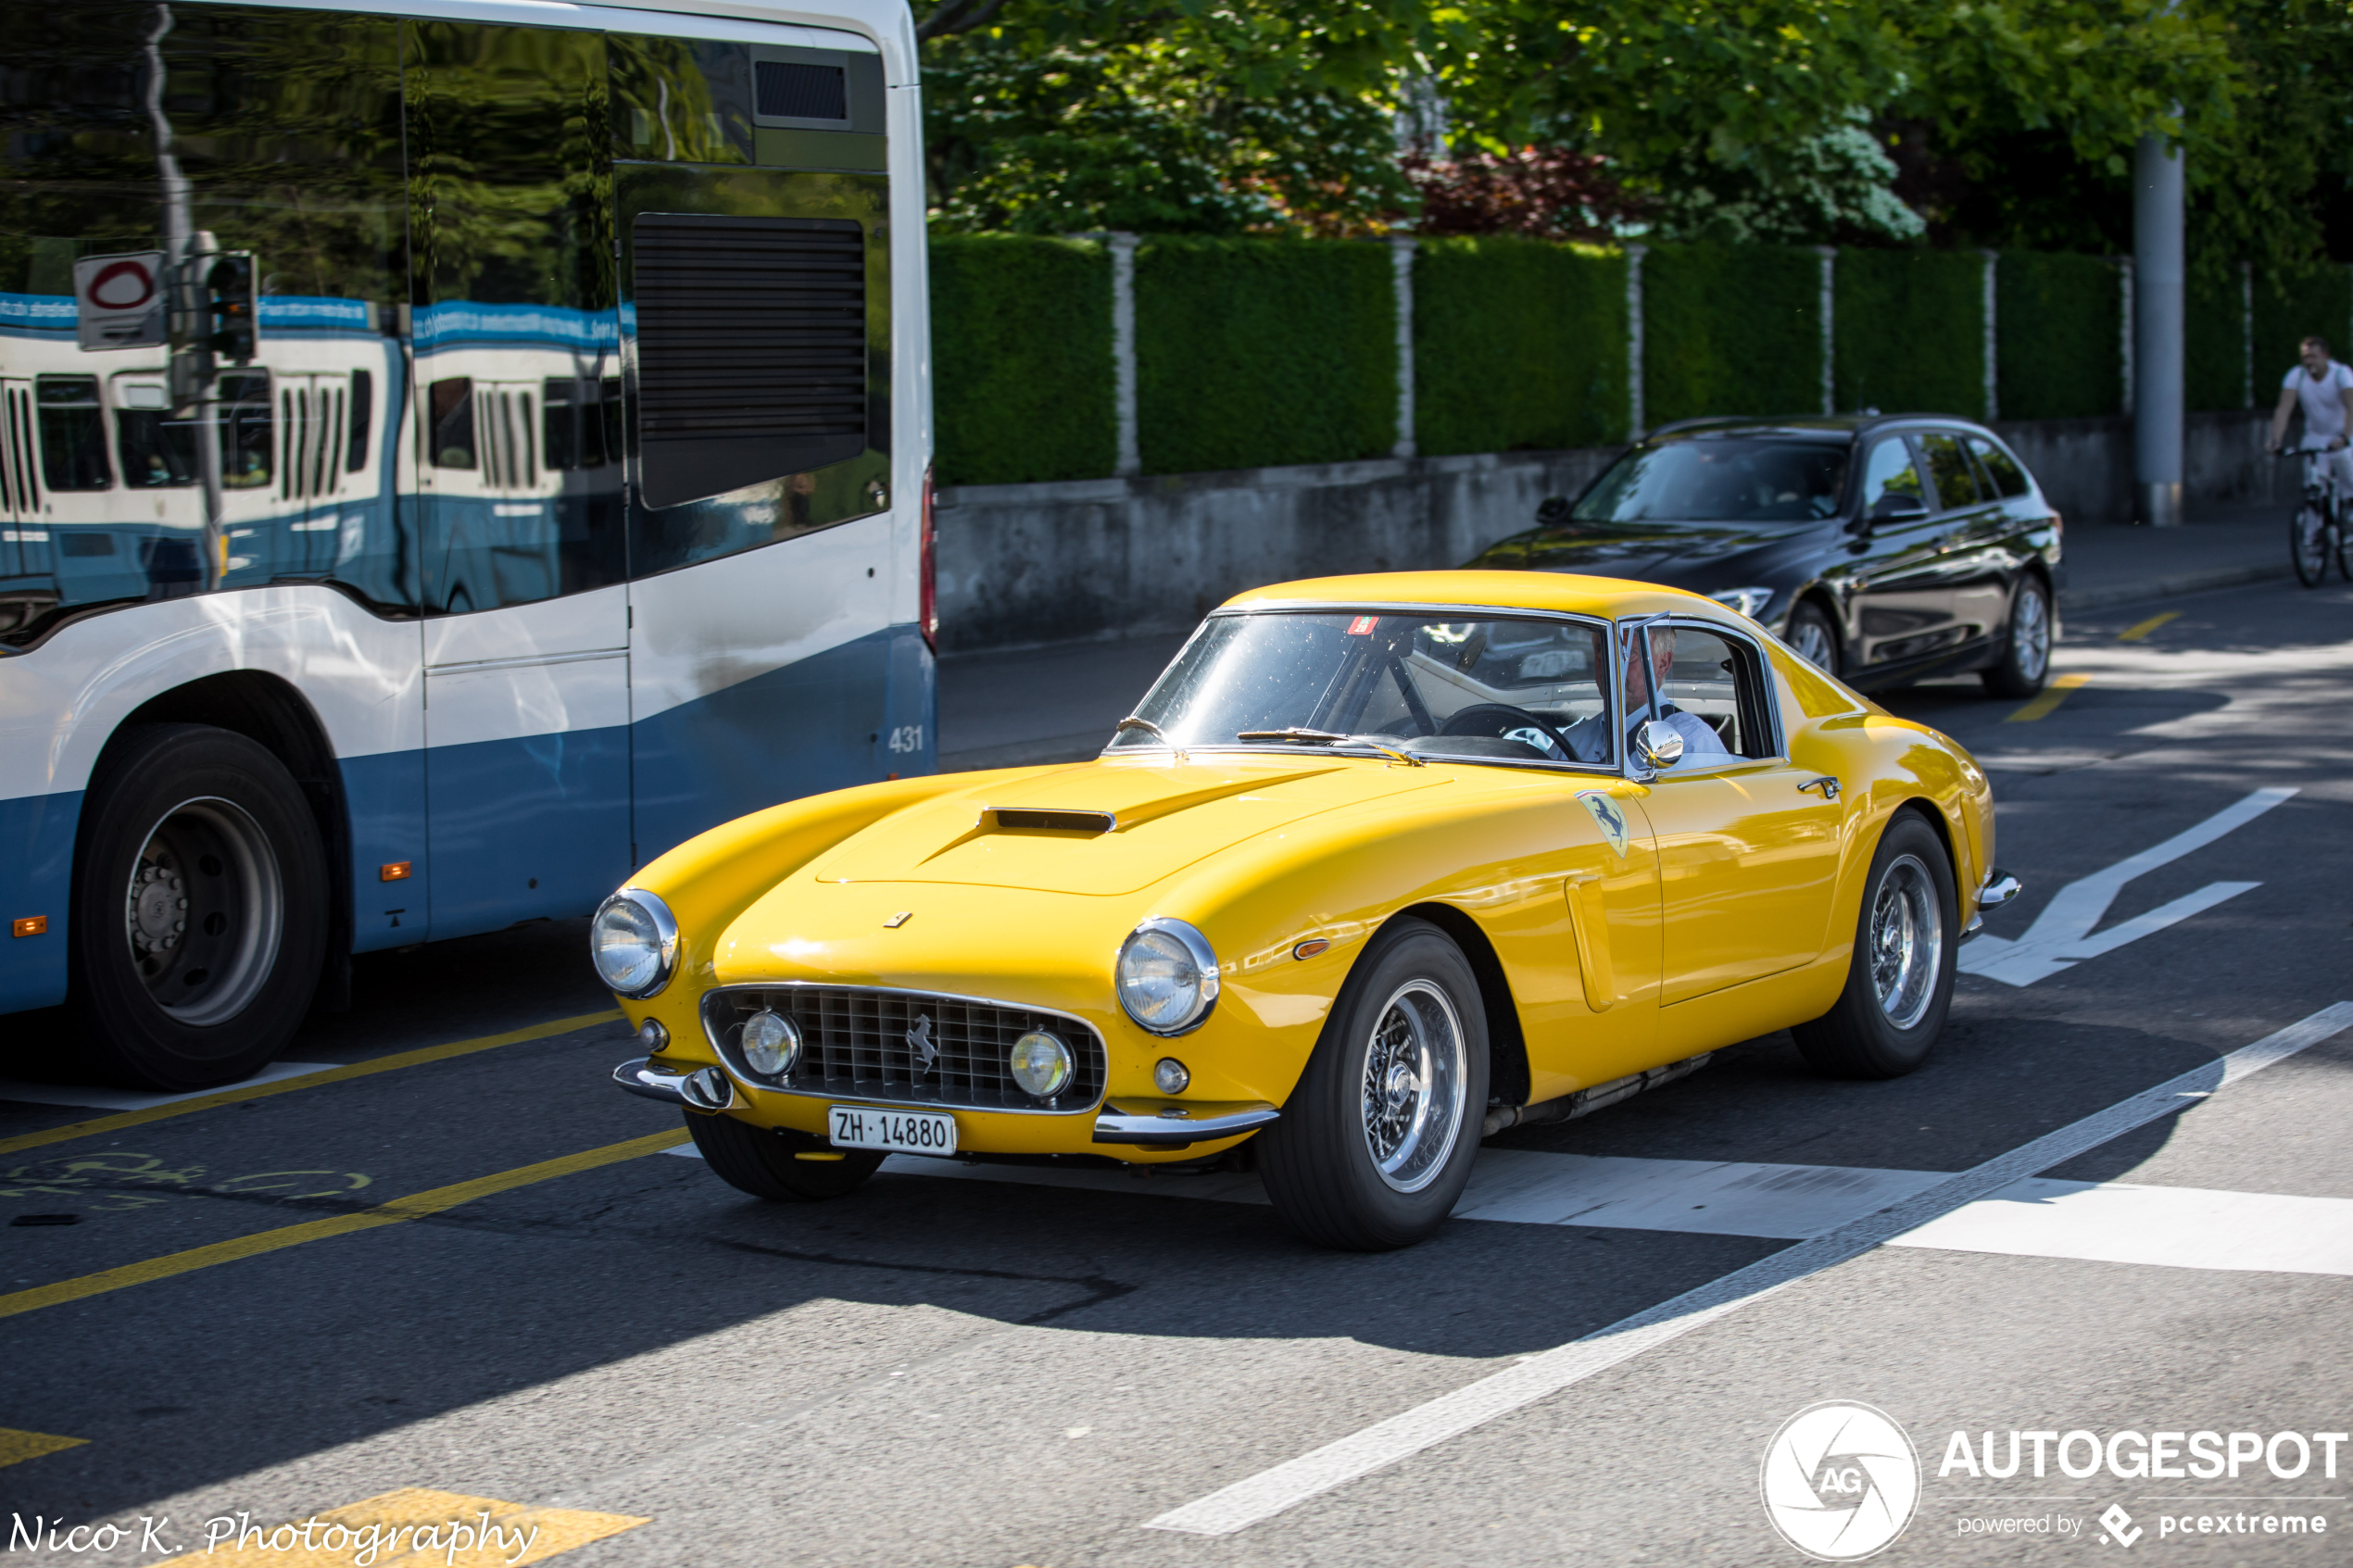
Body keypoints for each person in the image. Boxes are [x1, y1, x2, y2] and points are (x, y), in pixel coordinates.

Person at [1558, 628, 1730, 767]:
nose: (1610, 665)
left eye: (1627, 654)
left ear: (1663, 664)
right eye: (1601, 650)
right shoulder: (1572, 739)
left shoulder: (1693, 741)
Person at [2267, 336, 2353, 505]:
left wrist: (2345, 437)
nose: (2309, 362)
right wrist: (2275, 440)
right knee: (2314, 486)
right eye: (2305, 357)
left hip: (2343, 435)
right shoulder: (2296, 375)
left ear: (2325, 356)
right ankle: (2313, 526)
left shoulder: (2341, 374)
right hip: (2315, 435)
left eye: (2313, 357)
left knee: (2348, 478)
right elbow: (2284, 409)